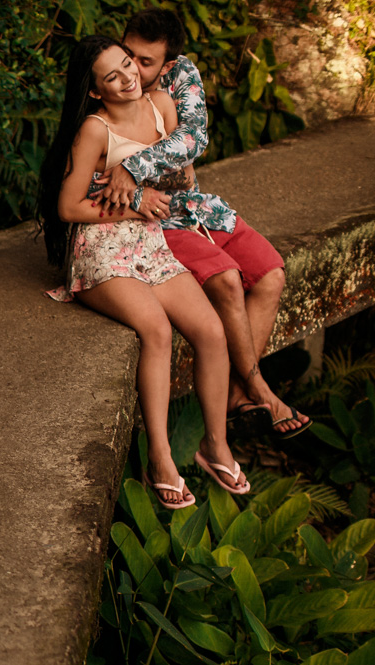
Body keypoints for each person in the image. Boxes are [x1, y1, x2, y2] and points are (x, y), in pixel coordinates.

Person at [38, 35, 250, 508]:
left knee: (211, 331)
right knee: (156, 329)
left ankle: (215, 445)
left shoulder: (159, 107)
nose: (128, 76)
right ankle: (161, 457)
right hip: (102, 247)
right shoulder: (95, 129)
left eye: (128, 64)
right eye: (112, 75)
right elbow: (69, 206)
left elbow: (183, 172)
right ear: (96, 90)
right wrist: (135, 208)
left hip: (150, 241)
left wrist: (140, 185)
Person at [91, 8, 311, 440]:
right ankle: (259, 387)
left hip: (194, 207)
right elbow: (100, 178)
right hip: (149, 220)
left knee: (270, 273)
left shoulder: (182, 76)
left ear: (169, 65)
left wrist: (136, 165)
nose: (133, 69)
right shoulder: (107, 79)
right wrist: (154, 175)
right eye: (129, 54)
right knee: (227, 281)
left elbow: (193, 140)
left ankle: (232, 394)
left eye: (146, 62)